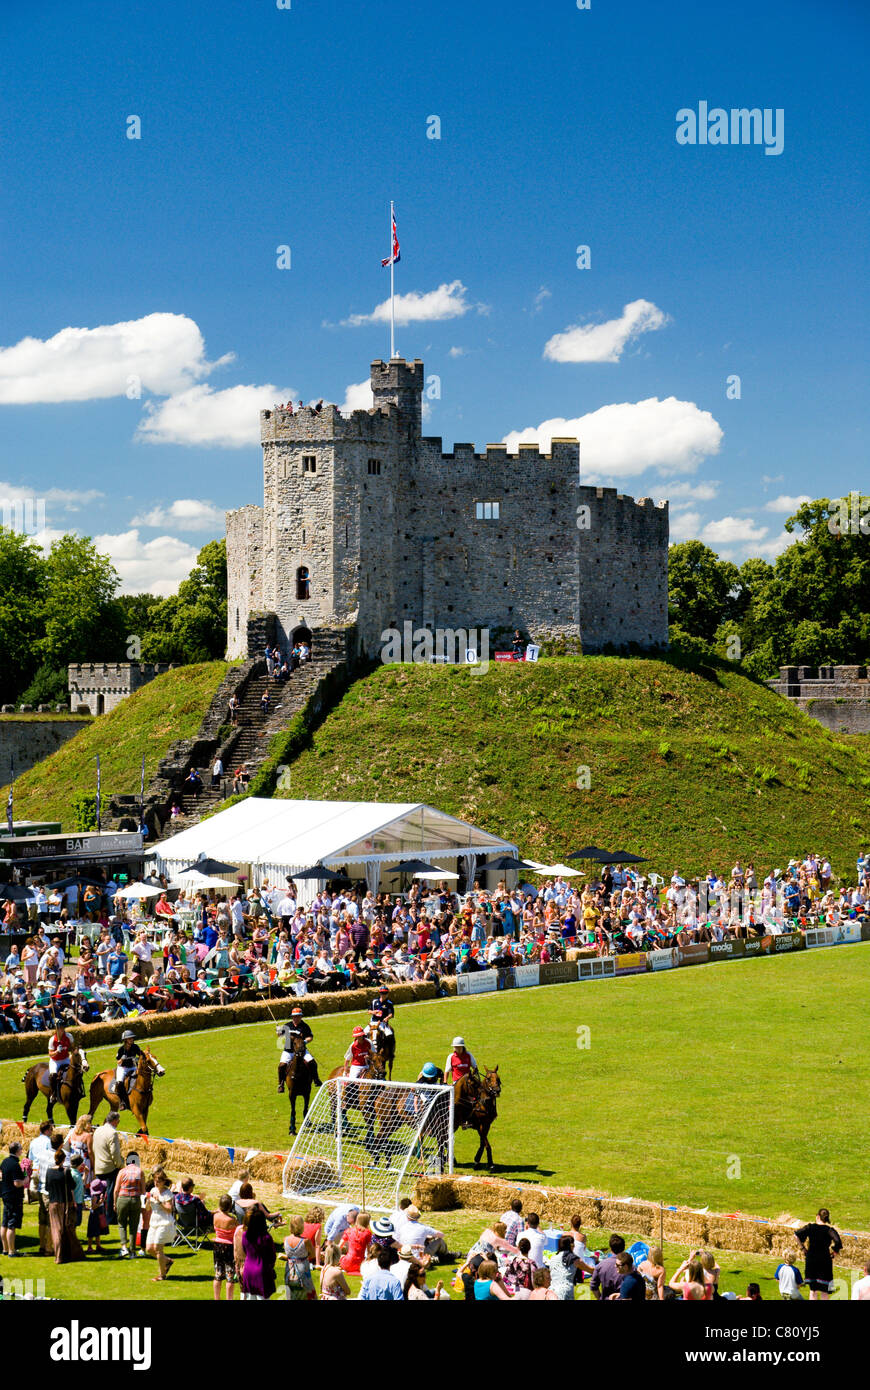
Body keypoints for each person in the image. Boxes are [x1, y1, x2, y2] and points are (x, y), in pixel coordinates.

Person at [45, 1148, 84, 1264]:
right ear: (63, 1159)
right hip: (65, 1204)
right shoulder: (66, 1171)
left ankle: (60, 1255)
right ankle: (63, 1255)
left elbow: (47, 1188)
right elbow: (72, 1186)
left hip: (53, 1203)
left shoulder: (49, 1171)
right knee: (65, 1229)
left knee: (56, 1230)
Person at [795, 1207, 842, 1300]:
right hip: (824, 1261)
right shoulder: (829, 1230)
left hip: (811, 1260)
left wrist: (803, 1248)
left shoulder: (810, 1227)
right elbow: (838, 1242)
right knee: (824, 1291)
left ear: (817, 1216)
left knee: (813, 1291)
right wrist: (835, 1252)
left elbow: (796, 1235)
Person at [276, 1008, 322, 1091]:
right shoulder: (287, 1026)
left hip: (301, 1051)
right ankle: (281, 1084)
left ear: (301, 1017)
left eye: (298, 1017)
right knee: (281, 1066)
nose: (296, 1018)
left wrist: (305, 1041)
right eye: (294, 1017)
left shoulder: (305, 1026)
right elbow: (280, 1036)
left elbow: (310, 1037)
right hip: (288, 1050)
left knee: (313, 1063)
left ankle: (316, 1079)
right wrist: (278, 1031)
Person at [145, 1167, 176, 1281]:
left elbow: (169, 1209)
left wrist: (159, 1201)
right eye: (155, 1180)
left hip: (164, 1222)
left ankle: (162, 1275)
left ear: (163, 1181)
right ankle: (167, 1261)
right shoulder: (153, 1190)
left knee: (158, 1249)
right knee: (149, 1249)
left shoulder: (168, 1193)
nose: (156, 1183)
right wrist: (148, 1201)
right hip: (154, 1222)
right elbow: (148, 1208)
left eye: (158, 1181)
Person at [240, 1207, 277, 1300]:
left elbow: (245, 1250)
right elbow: (272, 1256)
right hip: (262, 1271)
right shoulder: (266, 1238)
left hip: (248, 1270)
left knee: (250, 1298)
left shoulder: (245, 1235)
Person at [93, 1111, 123, 1225]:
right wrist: (120, 1165)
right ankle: (110, 1218)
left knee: (98, 1192)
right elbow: (115, 1153)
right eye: (118, 1121)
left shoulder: (98, 1130)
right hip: (110, 1168)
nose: (119, 1123)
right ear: (115, 1121)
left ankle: (96, 1215)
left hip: (98, 1166)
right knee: (111, 1193)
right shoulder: (112, 1133)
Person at [280, 1213, 317, 1301]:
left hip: (289, 1269)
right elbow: (313, 1255)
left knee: (292, 1294)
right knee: (307, 1294)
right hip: (302, 1269)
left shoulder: (285, 1239)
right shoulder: (305, 1241)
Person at [114, 1149, 144, 1257]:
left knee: (122, 1224)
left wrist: (114, 1203)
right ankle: (132, 1251)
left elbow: (116, 1190)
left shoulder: (122, 1172)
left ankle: (124, 1247)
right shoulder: (140, 1172)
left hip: (123, 1199)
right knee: (133, 1225)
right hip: (135, 1199)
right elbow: (143, 1190)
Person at [0, 1140, 28, 1256]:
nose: (22, 1151)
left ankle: (5, 1249)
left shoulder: (5, 1161)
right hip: (13, 1196)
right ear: (17, 1151)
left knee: (4, 1223)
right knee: (11, 1224)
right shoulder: (14, 1165)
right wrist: (26, 1180)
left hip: (5, 1194)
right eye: (21, 1149)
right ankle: (12, 1251)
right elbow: (17, 1183)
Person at [213, 1195, 240, 1301]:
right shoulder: (232, 1220)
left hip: (217, 1245)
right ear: (230, 1206)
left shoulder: (215, 1216)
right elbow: (238, 1230)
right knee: (230, 1275)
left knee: (218, 1273)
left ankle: (217, 1298)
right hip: (229, 1246)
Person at [590, 1233, 627, 1300]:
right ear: (624, 1248)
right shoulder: (629, 1267)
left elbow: (593, 1286)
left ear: (610, 1249)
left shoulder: (601, 1265)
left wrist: (599, 1298)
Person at [114, 1030, 144, 1111]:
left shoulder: (135, 1047)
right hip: (123, 1068)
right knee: (119, 1082)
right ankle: (122, 1102)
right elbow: (118, 1061)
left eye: (132, 1038)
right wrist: (122, 1059)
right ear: (125, 1040)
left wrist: (140, 1058)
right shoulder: (121, 1049)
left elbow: (141, 1055)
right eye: (129, 1038)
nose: (131, 1040)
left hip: (132, 1067)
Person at [47, 1020, 75, 1105]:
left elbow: (73, 1047)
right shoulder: (52, 1040)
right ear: (56, 1029)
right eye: (60, 1028)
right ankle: (53, 1094)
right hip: (55, 1061)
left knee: (75, 1070)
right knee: (53, 1075)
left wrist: (72, 1054)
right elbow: (50, 1054)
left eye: (63, 1028)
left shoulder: (69, 1036)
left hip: (66, 1058)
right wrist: (56, 1051)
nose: (62, 1030)